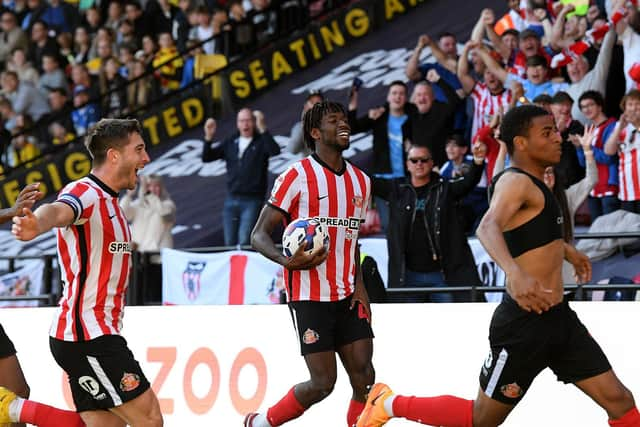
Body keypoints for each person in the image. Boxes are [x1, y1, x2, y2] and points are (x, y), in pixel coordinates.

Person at [356, 105, 639, 427]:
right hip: (523, 324)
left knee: (620, 401)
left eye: (556, 131)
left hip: (560, 319)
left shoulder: (538, 184)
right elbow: (487, 226)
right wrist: (515, 273)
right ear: (521, 143)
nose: (557, 138)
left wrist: (564, 249)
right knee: (482, 419)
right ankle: (389, 404)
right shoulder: (516, 182)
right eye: (547, 133)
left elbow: (527, 233)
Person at [10, 118, 163, 427]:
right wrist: (36, 224)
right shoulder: (86, 192)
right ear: (114, 155)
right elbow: (58, 211)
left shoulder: (113, 204)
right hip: (88, 335)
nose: (146, 159)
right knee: (150, 420)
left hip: (85, 334)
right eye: (139, 149)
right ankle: (13, 410)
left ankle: (16, 410)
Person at [245, 100, 374, 427]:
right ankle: (262, 423)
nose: (344, 124)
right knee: (322, 384)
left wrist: (362, 293)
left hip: (347, 295)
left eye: (345, 120)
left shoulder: (361, 181)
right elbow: (258, 234)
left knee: (365, 378)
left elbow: (352, 241)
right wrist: (286, 261)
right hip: (308, 296)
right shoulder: (296, 176)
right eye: (334, 120)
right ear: (315, 132)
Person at [374, 142, 484, 303]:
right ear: (407, 164)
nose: (419, 164)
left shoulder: (444, 188)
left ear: (432, 163)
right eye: (414, 160)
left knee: (450, 322)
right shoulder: (396, 189)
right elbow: (368, 181)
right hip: (407, 275)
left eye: (424, 160)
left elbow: (468, 183)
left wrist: (477, 162)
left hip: (442, 273)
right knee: (409, 325)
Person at [201, 108, 281, 246]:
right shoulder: (231, 141)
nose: (245, 124)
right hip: (231, 199)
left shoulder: (261, 141)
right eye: (242, 121)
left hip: (252, 199)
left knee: (244, 241)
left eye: (248, 120)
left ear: (254, 122)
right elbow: (207, 157)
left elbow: (275, 151)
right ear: (237, 124)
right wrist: (208, 137)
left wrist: (262, 128)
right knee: (229, 243)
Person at [348, 80, 415, 232]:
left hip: (407, 179)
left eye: (401, 93)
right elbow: (352, 128)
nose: (398, 97)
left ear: (406, 97)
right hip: (382, 180)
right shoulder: (379, 116)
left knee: (410, 223)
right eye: (394, 93)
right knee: (388, 226)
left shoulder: (412, 117)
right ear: (388, 97)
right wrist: (353, 101)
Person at [121, 174, 176, 303]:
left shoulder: (168, 205)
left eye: (157, 186)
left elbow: (165, 215)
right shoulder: (138, 206)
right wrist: (129, 196)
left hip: (158, 260)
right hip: (138, 259)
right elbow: (122, 214)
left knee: (155, 299)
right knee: (137, 298)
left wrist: (147, 195)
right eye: (150, 186)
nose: (153, 189)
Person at [576, 90, 619, 220]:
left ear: (600, 106)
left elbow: (608, 157)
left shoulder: (612, 125)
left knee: (610, 232)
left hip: (608, 187)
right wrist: (579, 147)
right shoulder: (589, 129)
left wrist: (588, 147)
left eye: (590, 105)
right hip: (593, 188)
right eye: (583, 107)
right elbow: (584, 163)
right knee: (596, 232)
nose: (586, 109)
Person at [604, 90, 640, 214]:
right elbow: (608, 151)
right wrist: (619, 128)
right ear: (624, 108)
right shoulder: (619, 127)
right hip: (627, 191)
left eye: (637, 104)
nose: (633, 108)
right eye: (630, 104)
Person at [287, 90, 324, 156]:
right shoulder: (300, 128)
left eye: (318, 102)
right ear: (305, 106)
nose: (315, 105)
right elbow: (292, 149)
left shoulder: (330, 121)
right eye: (312, 102)